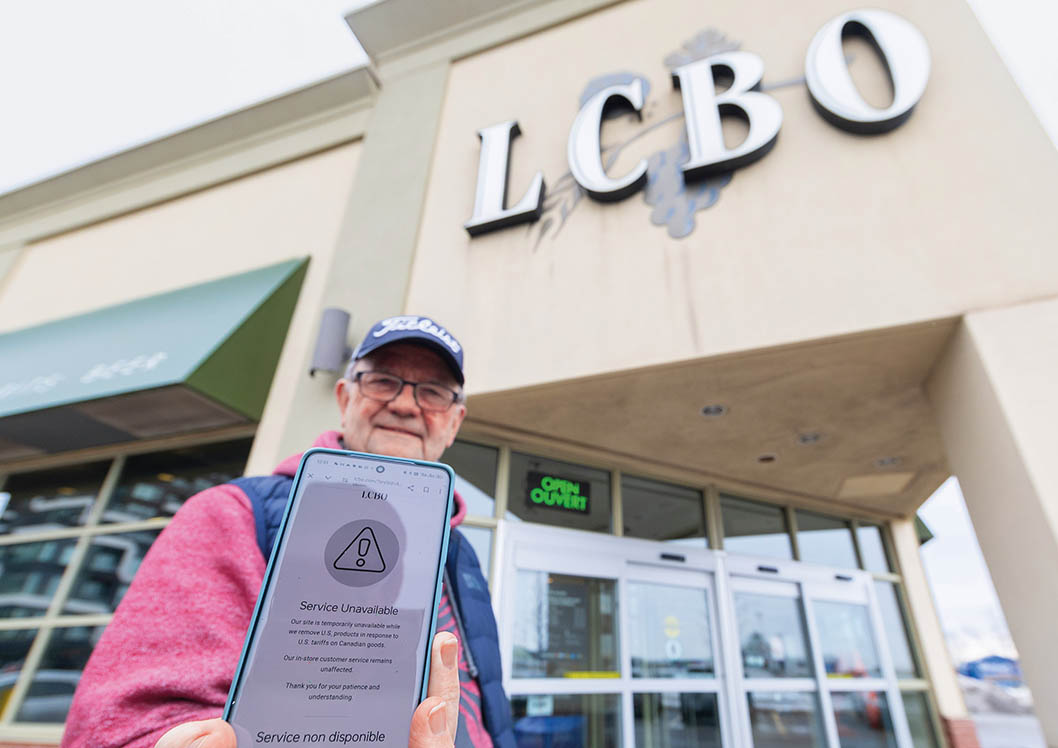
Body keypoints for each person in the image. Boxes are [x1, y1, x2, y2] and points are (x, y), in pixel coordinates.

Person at [61, 316, 514, 748]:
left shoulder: (459, 553)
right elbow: (126, 725)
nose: (404, 404)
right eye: (382, 381)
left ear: (454, 422)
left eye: (433, 392)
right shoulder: (233, 515)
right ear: (344, 399)